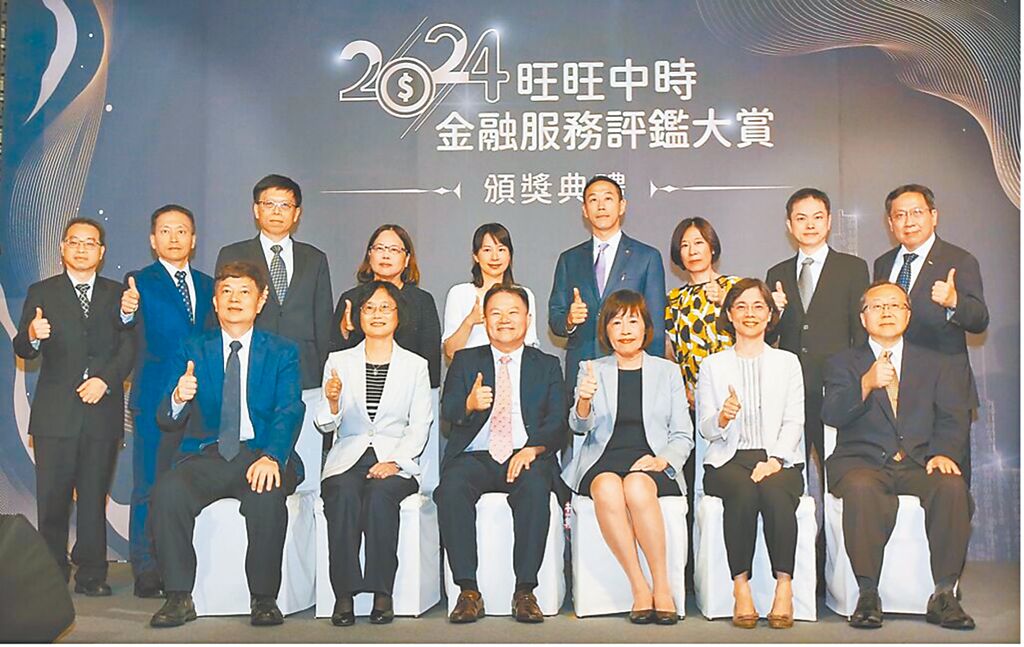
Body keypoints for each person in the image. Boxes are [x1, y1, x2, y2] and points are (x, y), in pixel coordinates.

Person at [148, 261, 305, 628]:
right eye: (226, 292)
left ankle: (264, 599)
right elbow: (165, 418)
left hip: (259, 453)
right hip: (208, 455)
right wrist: (179, 397)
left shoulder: (282, 351)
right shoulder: (192, 348)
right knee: (168, 491)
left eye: (244, 292)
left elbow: (289, 409)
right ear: (215, 302)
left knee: (267, 494)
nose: (235, 299)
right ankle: (178, 596)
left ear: (261, 301)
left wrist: (273, 456)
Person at [822, 281, 974, 630]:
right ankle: (868, 593)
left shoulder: (937, 362)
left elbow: (953, 416)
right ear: (863, 319)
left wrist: (944, 452)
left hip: (920, 461)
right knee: (862, 489)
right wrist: (865, 383)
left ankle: (944, 594)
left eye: (895, 305)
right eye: (877, 306)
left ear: (908, 314)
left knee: (952, 486)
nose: (887, 312)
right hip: (862, 461)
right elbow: (831, 413)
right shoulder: (842, 362)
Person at [13, 218, 135, 595]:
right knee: (52, 500)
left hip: (102, 409)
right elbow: (22, 348)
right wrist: (32, 335)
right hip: (54, 414)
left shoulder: (120, 295)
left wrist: (105, 381)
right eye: (75, 242)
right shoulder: (42, 291)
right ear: (63, 248)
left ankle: (92, 575)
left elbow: (128, 347)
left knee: (94, 498)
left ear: (102, 251)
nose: (82, 249)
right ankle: (51, 575)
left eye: (90, 243)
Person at [434, 285, 566, 624]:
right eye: (495, 313)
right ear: (485, 319)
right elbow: (449, 411)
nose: (504, 319)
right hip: (475, 455)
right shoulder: (466, 360)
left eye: (513, 312)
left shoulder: (547, 364)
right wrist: (469, 404)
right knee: (450, 489)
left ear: (527, 318)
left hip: (525, 454)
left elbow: (557, 420)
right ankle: (468, 591)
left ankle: (525, 592)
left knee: (536, 488)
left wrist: (533, 449)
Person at [562, 290, 693, 625]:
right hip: (603, 458)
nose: (624, 330)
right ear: (605, 330)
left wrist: (663, 460)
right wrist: (583, 401)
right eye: (616, 322)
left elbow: (683, 434)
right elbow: (578, 427)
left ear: (645, 327)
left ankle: (662, 586)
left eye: (632, 321)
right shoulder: (591, 368)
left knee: (636, 486)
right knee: (607, 487)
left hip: (652, 461)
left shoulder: (667, 372)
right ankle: (640, 587)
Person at [765, 188, 869, 590]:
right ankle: (798, 564)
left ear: (828, 222)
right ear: (788, 225)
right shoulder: (776, 272)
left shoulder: (852, 268)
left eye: (817, 217)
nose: (809, 225)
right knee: (792, 478)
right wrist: (775, 314)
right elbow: (767, 337)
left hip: (837, 392)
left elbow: (860, 335)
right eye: (801, 218)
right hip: (791, 394)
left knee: (835, 479)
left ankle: (836, 565)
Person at [315, 281, 432, 627]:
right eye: (369, 308)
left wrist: (394, 462)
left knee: (381, 496)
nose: (377, 314)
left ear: (398, 316)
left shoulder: (415, 365)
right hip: (348, 458)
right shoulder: (338, 361)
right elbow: (325, 423)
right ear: (358, 316)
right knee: (343, 494)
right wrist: (332, 402)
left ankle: (383, 592)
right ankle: (344, 594)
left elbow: (420, 424)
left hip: (396, 459)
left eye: (385, 308)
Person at [696, 278, 805, 629]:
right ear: (729, 314)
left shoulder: (787, 362)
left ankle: (784, 588)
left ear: (770, 314)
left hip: (778, 457)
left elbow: (794, 420)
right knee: (742, 491)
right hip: (728, 459)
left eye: (759, 306)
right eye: (741, 306)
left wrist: (774, 461)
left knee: (775, 493)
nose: (750, 313)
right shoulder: (712, 365)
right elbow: (706, 428)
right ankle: (740, 587)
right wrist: (723, 417)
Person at [120, 204, 215, 598]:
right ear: (152, 239)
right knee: (148, 485)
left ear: (193, 239)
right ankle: (146, 567)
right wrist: (125, 311)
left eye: (182, 231)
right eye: (165, 231)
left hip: (202, 403)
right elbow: (124, 325)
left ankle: (182, 566)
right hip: (154, 398)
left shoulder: (210, 285)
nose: (174, 238)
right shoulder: (139, 283)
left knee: (186, 487)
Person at [216, 174, 333, 480]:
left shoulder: (315, 258)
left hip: (305, 373)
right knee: (253, 464)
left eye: (285, 205)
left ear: (297, 213)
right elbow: (223, 314)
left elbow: (323, 319)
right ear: (256, 210)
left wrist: (326, 372)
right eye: (269, 204)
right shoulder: (233, 254)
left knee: (306, 466)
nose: (277, 212)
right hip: (251, 368)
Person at [872, 184, 987, 479]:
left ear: (934, 216)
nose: (908, 221)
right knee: (901, 481)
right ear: (890, 223)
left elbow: (979, 319)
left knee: (948, 481)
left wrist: (954, 301)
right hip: (897, 389)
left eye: (917, 212)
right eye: (900, 215)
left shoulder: (959, 260)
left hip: (944, 392)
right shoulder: (883, 263)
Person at [663, 216, 739, 592]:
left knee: (727, 475)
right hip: (691, 401)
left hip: (730, 401)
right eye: (685, 245)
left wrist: (727, 303)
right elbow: (671, 351)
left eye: (699, 243)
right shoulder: (673, 299)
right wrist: (683, 389)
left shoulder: (734, 288)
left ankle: (728, 567)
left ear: (712, 247)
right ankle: (694, 568)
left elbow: (754, 334)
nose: (692, 251)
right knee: (692, 483)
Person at [549, 175, 667, 404]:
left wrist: (652, 377)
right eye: (593, 200)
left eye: (608, 198)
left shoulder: (646, 257)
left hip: (630, 370)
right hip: (583, 368)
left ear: (622, 206)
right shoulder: (569, 259)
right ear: (585, 210)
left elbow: (655, 326)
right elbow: (555, 318)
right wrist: (570, 320)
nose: (601, 206)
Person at [333, 224, 442, 390]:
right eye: (379, 248)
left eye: (394, 250)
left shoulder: (422, 301)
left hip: (409, 390)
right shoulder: (351, 299)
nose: (385, 255)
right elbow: (333, 357)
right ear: (369, 255)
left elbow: (431, 361)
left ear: (407, 259)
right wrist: (344, 331)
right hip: (358, 389)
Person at [442, 223, 539, 359]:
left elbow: (529, 346)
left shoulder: (523, 294)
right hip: (471, 368)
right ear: (476, 256)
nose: (495, 257)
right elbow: (451, 352)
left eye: (501, 249)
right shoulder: (459, 293)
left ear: (510, 255)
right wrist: (470, 321)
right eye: (487, 250)